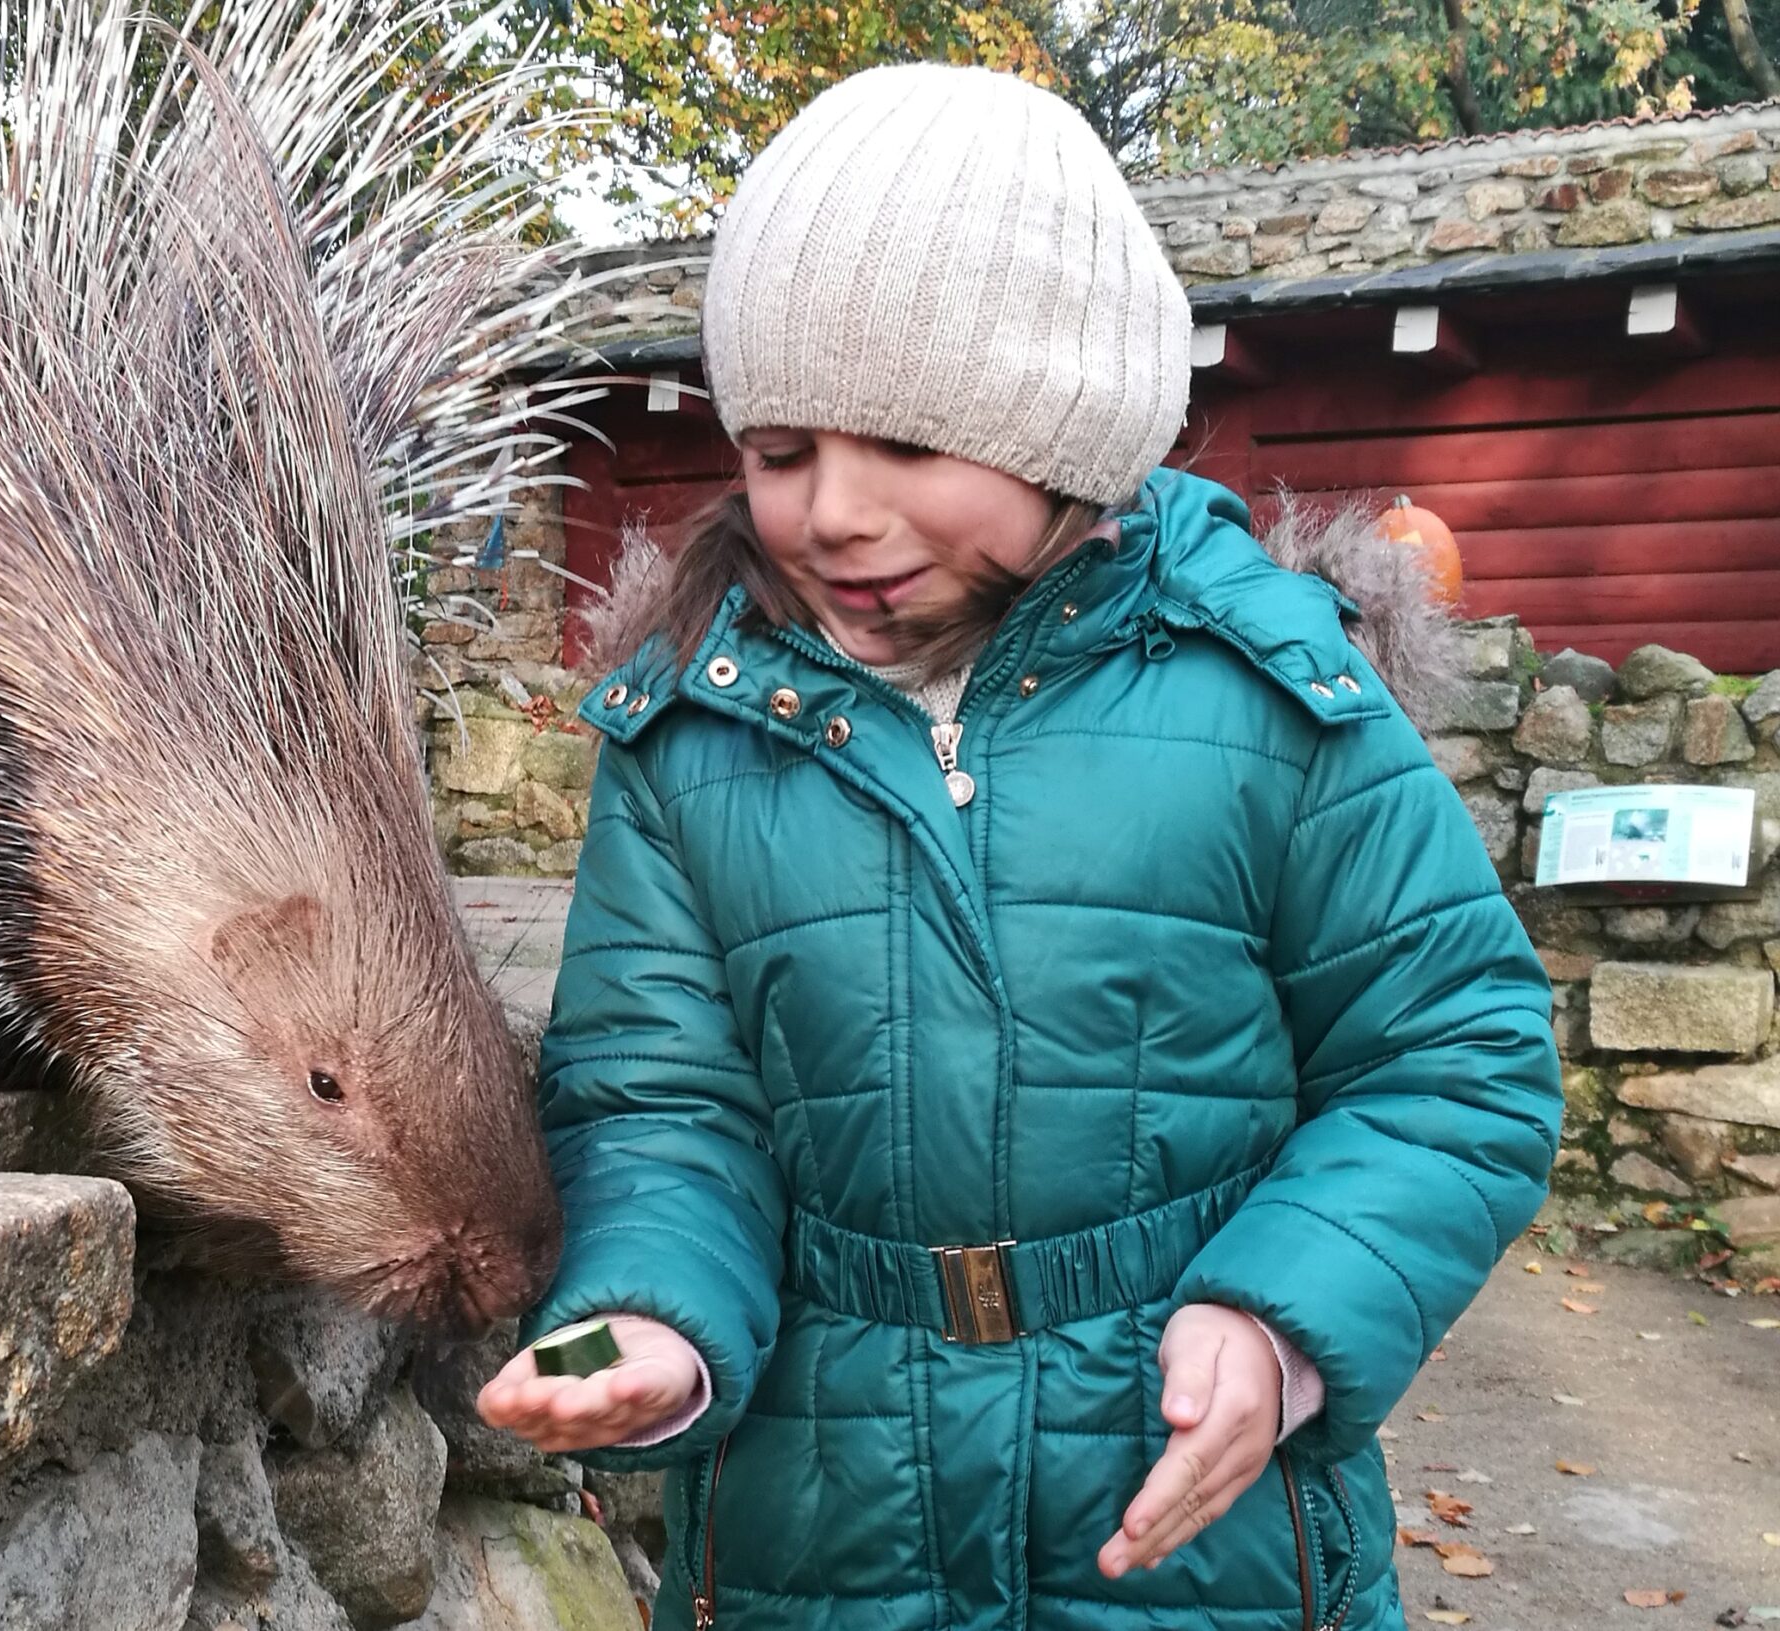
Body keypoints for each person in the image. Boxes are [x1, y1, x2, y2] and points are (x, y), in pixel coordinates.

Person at [475, 61, 1561, 1631]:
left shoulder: (1269, 698)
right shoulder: (688, 738)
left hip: (1206, 1545)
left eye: (904, 447)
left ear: (1063, 427)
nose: (831, 511)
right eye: (778, 451)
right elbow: (656, 1102)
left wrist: (1280, 1319)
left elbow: (1454, 1057)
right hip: (818, 1536)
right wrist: (646, 1325)